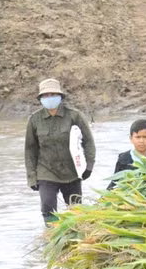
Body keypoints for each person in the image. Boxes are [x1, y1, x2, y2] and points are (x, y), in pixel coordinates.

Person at [25, 78, 96, 224]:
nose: (49, 98)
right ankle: (51, 237)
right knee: (47, 207)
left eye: (53, 94)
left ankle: (74, 238)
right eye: (45, 95)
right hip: (46, 172)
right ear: (40, 99)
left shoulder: (74, 116)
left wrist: (88, 167)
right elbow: (30, 150)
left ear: (60, 96)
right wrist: (32, 177)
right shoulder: (35, 120)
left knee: (76, 210)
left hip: (72, 172)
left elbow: (88, 142)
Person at [107, 119, 146, 190]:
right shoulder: (123, 159)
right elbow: (115, 182)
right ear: (131, 138)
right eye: (138, 137)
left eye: (145, 137)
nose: (141, 141)